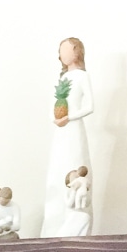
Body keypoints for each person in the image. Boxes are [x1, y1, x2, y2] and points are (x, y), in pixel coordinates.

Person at [40, 37, 94, 237]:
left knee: (74, 167)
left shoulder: (81, 76)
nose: (62, 54)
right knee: (56, 174)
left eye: (65, 49)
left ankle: (75, 226)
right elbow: (53, 105)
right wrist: (55, 118)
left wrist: (69, 117)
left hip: (73, 130)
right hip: (60, 132)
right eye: (60, 50)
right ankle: (52, 228)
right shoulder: (62, 79)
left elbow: (89, 106)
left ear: (76, 52)